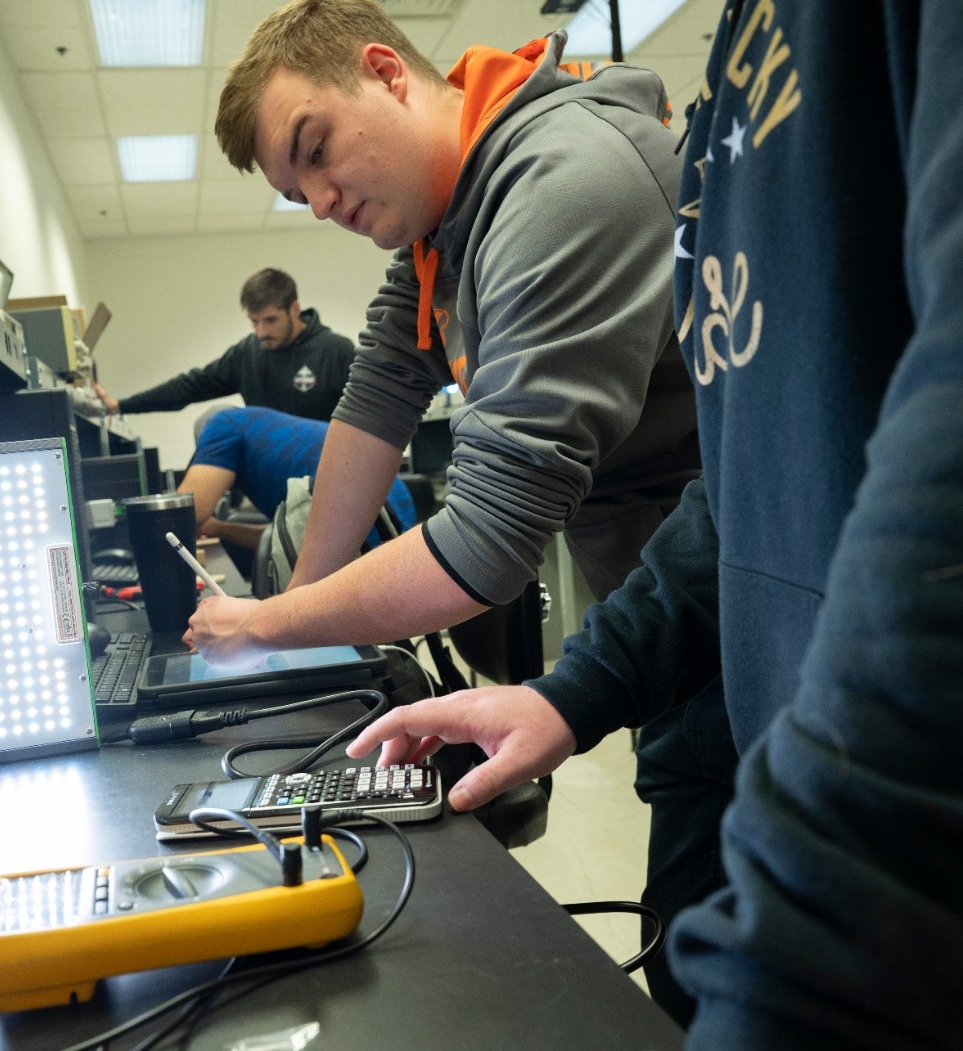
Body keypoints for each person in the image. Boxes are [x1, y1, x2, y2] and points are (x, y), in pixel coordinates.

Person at [346, 1, 963, 1044]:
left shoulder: (565, 176)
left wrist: (817, 940)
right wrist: (574, 691)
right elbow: (748, 470)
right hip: (764, 759)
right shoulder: (744, 53)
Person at [191, 0, 717, 1017]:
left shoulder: (556, 183)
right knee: (694, 944)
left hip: (753, 617)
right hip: (673, 624)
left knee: (717, 965)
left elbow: (483, 551)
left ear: (387, 75)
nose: (318, 198)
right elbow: (375, 401)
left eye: (316, 149)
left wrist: (263, 624)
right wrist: (300, 616)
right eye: (294, 188)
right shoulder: (447, 229)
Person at [92, 268, 355, 423]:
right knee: (216, 420)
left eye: (271, 320)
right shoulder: (248, 353)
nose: (262, 332)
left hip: (326, 473)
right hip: (271, 471)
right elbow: (190, 386)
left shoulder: (336, 352)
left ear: (294, 309)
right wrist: (121, 406)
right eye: (254, 322)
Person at [177, 404, 416, 565]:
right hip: (397, 530)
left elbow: (182, 517)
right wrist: (219, 528)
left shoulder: (222, 423)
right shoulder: (267, 434)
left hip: (362, 539)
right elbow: (284, 541)